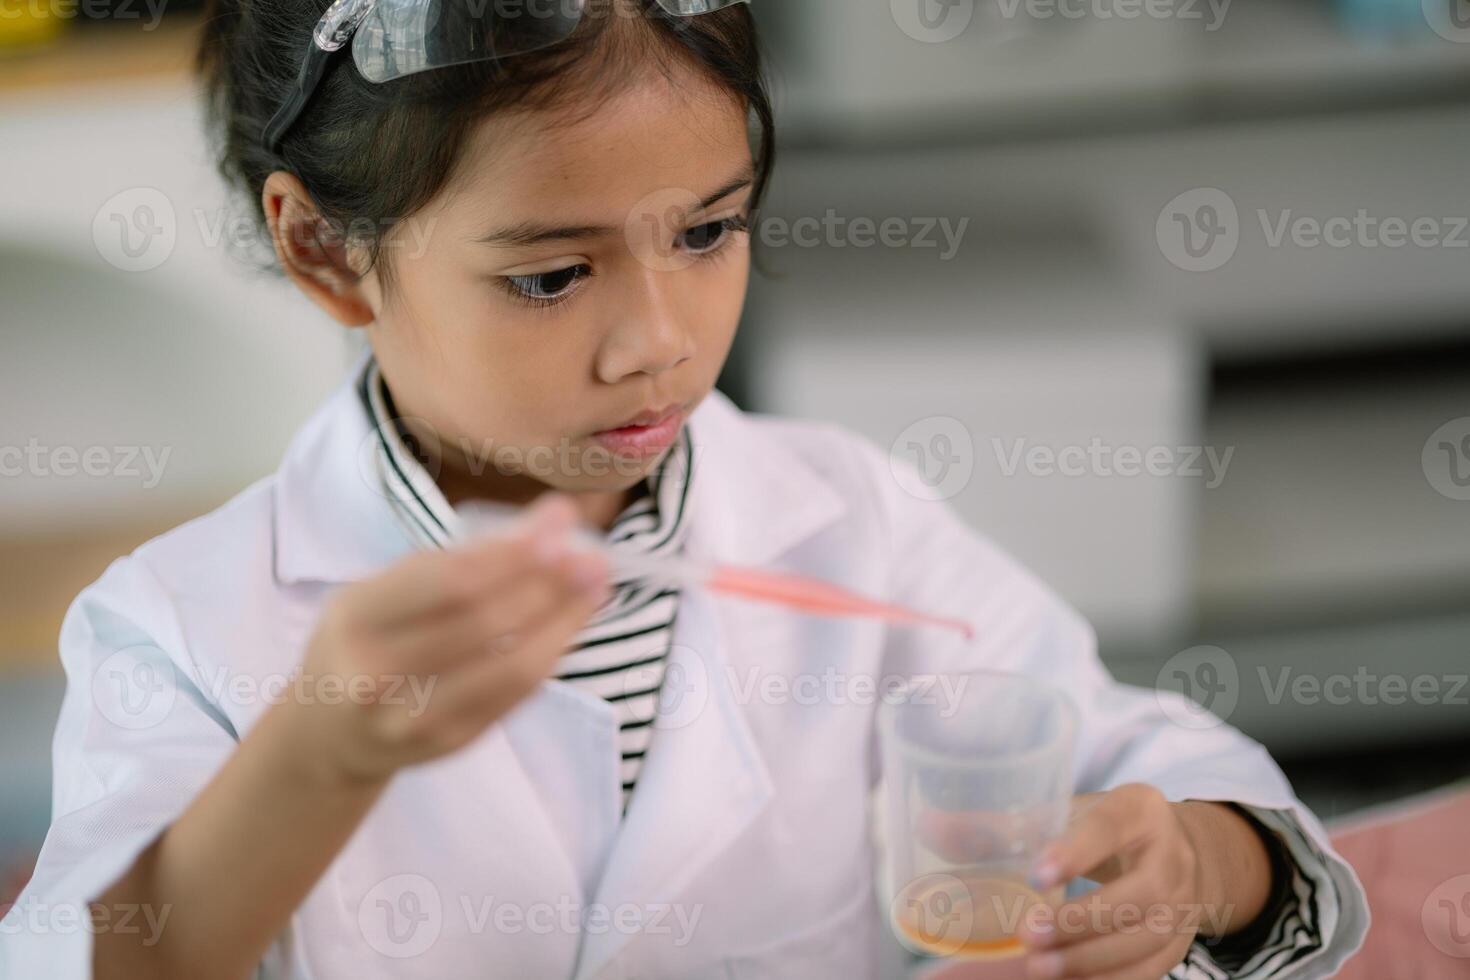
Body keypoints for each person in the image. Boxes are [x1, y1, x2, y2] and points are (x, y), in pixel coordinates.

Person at [0, 1, 1367, 978]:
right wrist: (323, 750)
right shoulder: (181, 625)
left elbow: (1135, 763)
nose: (657, 336)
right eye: (549, 272)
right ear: (327, 252)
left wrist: (1193, 860)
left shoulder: (852, 524)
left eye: (708, 230)